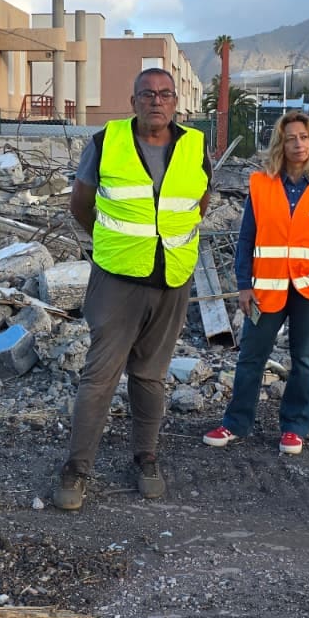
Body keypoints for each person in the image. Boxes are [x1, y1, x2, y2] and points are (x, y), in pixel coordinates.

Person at [53, 68, 211, 510]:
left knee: (151, 376)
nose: (156, 101)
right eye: (147, 94)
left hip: (172, 277)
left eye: (164, 94)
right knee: (99, 376)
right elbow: (81, 205)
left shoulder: (194, 146)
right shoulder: (107, 142)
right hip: (117, 278)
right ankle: (77, 468)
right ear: (134, 99)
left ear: (175, 101)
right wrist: (110, 245)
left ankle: (146, 457)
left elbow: (199, 202)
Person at [202, 112, 309, 455]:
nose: (298, 144)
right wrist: (244, 284)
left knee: (304, 359)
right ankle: (236, 422)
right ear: (280, 144)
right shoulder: (261, 185)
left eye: (304, 137)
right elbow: (247, 240)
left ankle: (294, 427)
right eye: (291, 138)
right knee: (251, 356)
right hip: (266, 288)